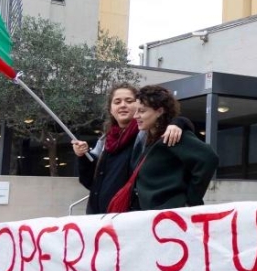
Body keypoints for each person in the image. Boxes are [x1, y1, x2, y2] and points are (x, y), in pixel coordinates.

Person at [72, 83, 183, 214]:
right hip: (99, 218)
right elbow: (90, 182)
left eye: (129, 101)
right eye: (117, 102)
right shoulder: (105, 140)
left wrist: (178, 123)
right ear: (111, 109)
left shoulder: (148, 133)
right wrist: (82, 156)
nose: (123, 105)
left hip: (131, 220)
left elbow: (167, 119)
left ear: (139, 105)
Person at [107, 85, 219, 212]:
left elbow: (209, 158)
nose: (135, 116)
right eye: (136, 111)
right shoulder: (148, 138)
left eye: (142, 111)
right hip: (152, 216)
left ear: (160, 111)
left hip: (171, 216)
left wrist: (191, 199)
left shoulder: (172, 136)